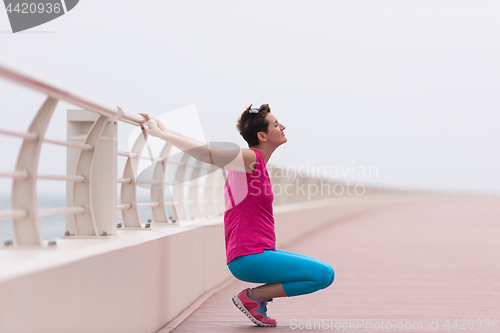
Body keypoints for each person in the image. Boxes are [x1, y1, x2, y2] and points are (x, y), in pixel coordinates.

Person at [140, 104, 334, 328]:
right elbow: (206, 154)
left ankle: (255, 298)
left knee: (322, 273)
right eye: (275, 124)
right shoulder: (249, 158)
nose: (283, 126)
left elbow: (207, 150)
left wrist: (166, 130)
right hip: (249, 257)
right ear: (262, 135)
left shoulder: (251, 163)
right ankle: (253, 298)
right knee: (323, 275)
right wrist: (161, 135)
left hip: (258, 253)